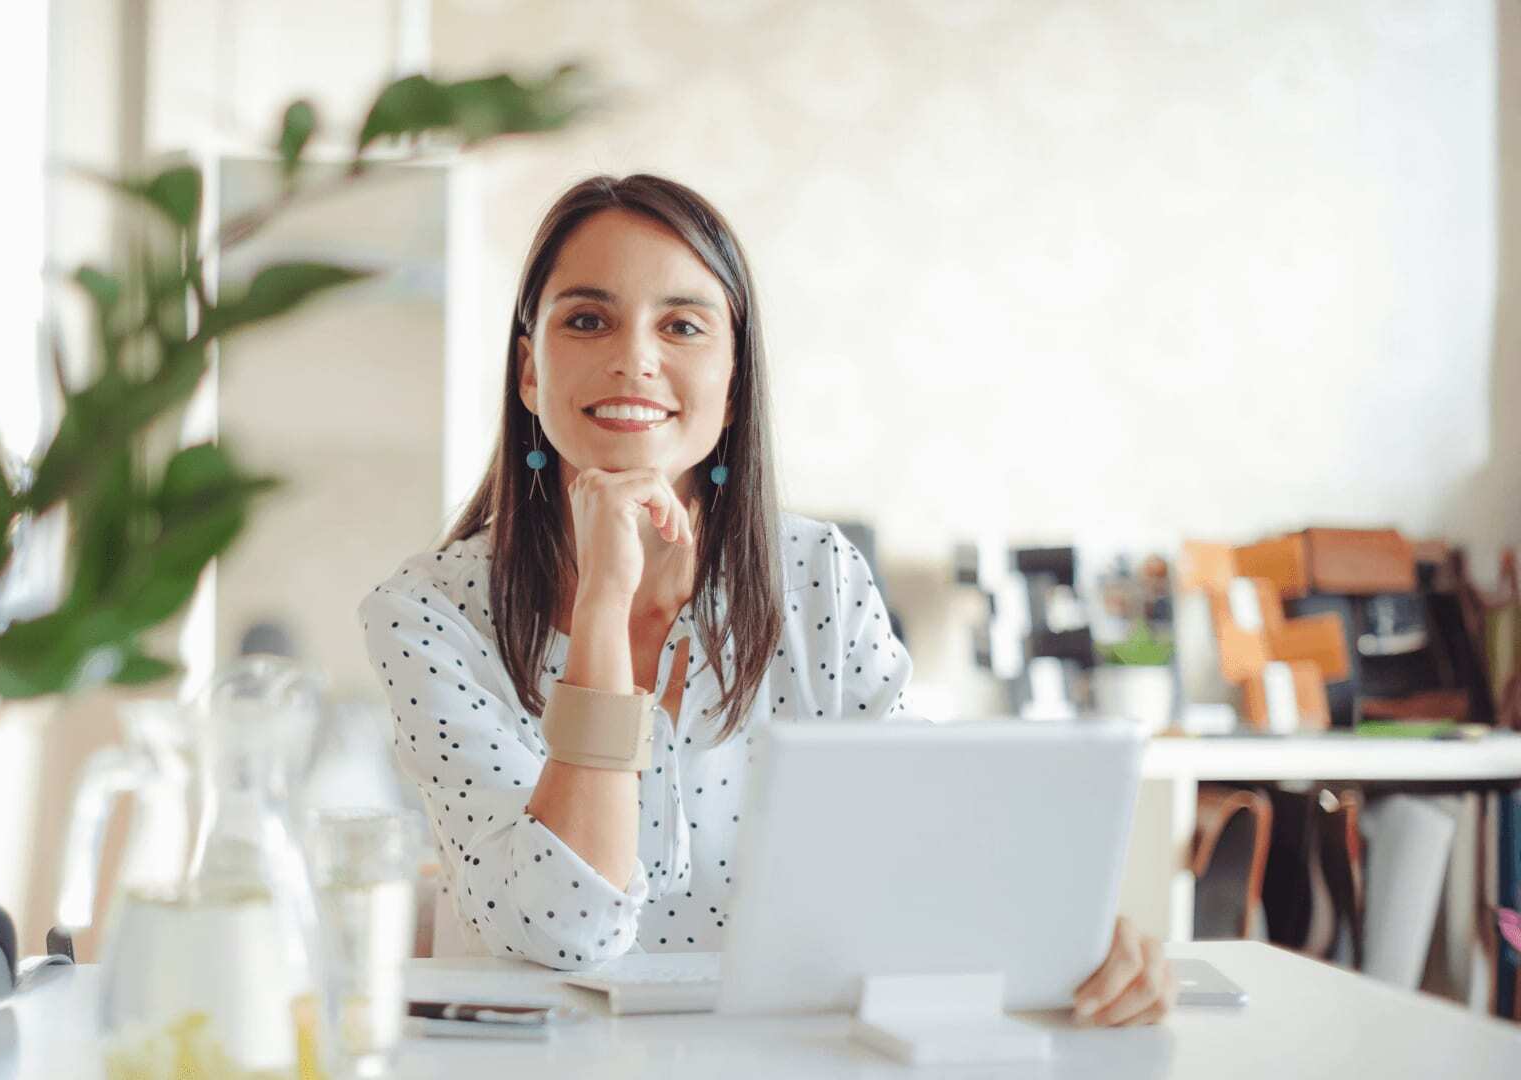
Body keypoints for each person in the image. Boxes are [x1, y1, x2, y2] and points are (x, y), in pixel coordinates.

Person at [358, 175, 1173, 1026]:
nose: (635, 356)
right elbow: (566, 927)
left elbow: (923, 848)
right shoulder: (426, 613)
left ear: (735, 382)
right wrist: (604, 602)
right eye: (588, 319)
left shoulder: (820, 574)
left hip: (788, 1054)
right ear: (530, 370)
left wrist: (1081, 944)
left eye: (682, 325)